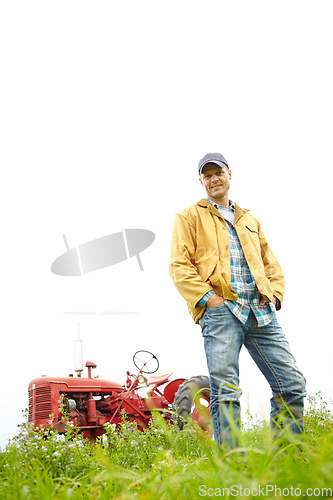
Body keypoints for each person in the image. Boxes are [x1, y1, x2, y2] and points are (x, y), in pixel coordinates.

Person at [169, 152, 306, 449]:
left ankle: (287, 459)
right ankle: (233, 465)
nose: (213, 179)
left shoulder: (250, 220)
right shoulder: (189, 217)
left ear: (230, 174)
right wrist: (209, 299)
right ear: (201, 181)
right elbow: (179, 265)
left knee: (292, 384)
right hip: (222, 312)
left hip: (261, 312)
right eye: (207, 176)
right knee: (226, 391)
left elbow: (271, 265)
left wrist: (275, 296)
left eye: (218, 173)